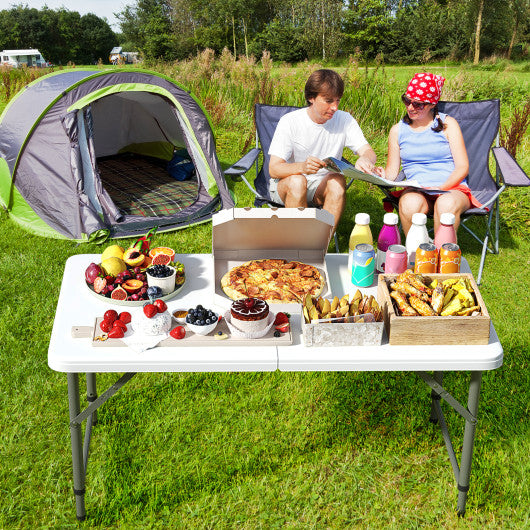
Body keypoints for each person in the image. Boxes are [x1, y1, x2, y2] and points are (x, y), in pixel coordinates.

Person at [268, 69, 377, 233]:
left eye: (338, 100)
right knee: (298, 182)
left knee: (337, 180)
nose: (334, 107)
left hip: (319, 186)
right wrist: (302, 168)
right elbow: (274, 169)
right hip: (287, 185)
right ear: (311, 98)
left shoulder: (344, 119)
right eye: (328, 101)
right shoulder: (290, 122)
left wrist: (365, 159)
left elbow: (368, 151)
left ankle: (320, 244)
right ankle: (299, 244)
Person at [376, 73, 481, 236]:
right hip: (418, 190)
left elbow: (462, 167)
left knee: (445, 205)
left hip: (451, 188)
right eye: (407, 100)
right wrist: (382, 175)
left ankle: (443, 257)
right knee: (409, 203)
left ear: (432, 104)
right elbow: (392, 172)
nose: (410, 107)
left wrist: (440, 188)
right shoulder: (397, 131)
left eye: (418, 104)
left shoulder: (448, 125)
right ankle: (416, 257)